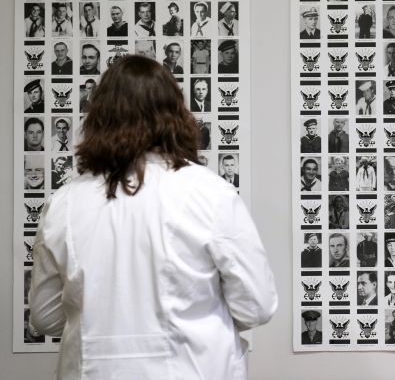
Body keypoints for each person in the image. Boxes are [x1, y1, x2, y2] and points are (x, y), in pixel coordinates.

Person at [29, 56, 277, 378]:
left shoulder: (63, 204)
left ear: (99, 118)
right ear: (176, 115)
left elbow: (45, 318)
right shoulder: (212, 194)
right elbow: (257, 306)